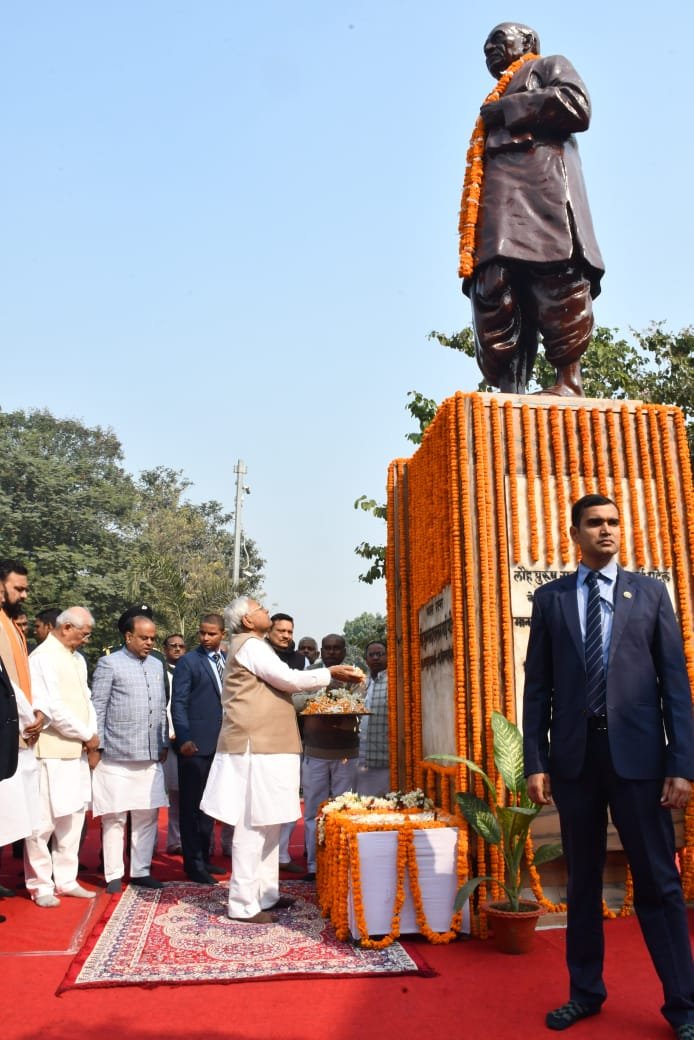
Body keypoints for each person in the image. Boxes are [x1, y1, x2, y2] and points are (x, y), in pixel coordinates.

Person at [523, 494, 694, 1037]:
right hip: (576, 761)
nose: (607, 530)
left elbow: (675, 686)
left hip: (640, 762)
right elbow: (539, 689)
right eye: (595, 523)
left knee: (660, 883)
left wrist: (682, 764)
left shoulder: (648, 594)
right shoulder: (550, 600)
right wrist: (535, 759)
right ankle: (585, 992)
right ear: (574, 533)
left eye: (614, 522)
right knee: (583, 883)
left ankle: (685, 1007)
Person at [461, 23, 604, 396]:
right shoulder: (494, 92)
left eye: (497, 39)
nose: (488, 48)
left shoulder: (547, 66)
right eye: (485, 45)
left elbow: (577, 106)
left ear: (527, 42)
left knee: (556, 277)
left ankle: (568, 381)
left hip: (544, 194)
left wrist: (509, 109)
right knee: (493, 285)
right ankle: (510, 385)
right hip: (498, 207)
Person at [200, 598, 361, 923]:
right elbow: (288, 679)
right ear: (247, 620)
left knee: (270, 821)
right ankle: (243, 904)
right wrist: (328, 673)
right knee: (254, 825)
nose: (266, 612)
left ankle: (266, 893)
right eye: (260, 608)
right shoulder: (249, 645)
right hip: (255, 746)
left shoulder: (255, 645)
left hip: (270, 747)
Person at [25, 608, 98, 907]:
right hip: (51, 751)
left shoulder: (77, 659)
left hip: (76, 751)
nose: (86, 640)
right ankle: (41, 884)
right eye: (84, 633)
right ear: (66, 627)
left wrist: (90, 733)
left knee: (73, 818)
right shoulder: (41, 658)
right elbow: (51, 709)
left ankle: (66, 880)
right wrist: (85, 734)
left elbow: (87, 699)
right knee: (43, 822)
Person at [91, 614, 169, 893]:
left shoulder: (157, 666)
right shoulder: (109, 663)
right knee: (114, 817)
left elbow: (161, 708)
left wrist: (163, 743)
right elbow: (98, 707)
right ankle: (113, 874)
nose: (149, 642)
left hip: (149, 754)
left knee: (147, 815)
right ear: (128, 637)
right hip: (116, 754)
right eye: (144, 637)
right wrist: (96, 746)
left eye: (152, 638)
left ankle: (140, 871)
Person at [171, 615, 226, 884]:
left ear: (222, 634)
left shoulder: (228, 661)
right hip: (195, 746)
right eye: (202, 633)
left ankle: (205, 858)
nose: (205, 638)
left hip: (223, 745)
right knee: (192, 808)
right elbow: (178, 703)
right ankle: (193, 865)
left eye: (211, 634)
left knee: (210, 807)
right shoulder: (188, 662)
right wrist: (184, 738)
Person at [301, 633, 360, 880]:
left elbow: (361, 702)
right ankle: (314, 865)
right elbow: (295, 701)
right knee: (313, 810)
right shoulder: (309, 673)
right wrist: (321, 695)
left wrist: (345, 703)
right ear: (321, 651)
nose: (333, 652)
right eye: (328, 648)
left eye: (338, 648)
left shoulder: (354, 674)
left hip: (346, 753)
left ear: (344, 651)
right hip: (315, 751)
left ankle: (342, 862)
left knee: (343, 809)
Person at [267, 613, 308, 873]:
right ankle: (266, 856)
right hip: (264, 737)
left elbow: (301, 696)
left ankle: (282, 854)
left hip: (294, 735)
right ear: (269, 631)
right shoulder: (260, 655)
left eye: (289, 631)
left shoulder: (300, 660)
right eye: (280, 630)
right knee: (266, 800)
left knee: (290, 797)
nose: (285, 635)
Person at [161, 633, 186, 855]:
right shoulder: (160, 672)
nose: (177, 649)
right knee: (175, 794)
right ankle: (174, 841)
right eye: (173, 646)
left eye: (181, 646)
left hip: (189, 738)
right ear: (165, 649)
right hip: (168, 740)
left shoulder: (191, 670)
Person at [356, 641, 390, 796]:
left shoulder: (395, 681)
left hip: (386, 755)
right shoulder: (362, 683)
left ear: (388, 656)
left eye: (380, 654)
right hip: (362, 755)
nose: (376, 658)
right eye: (372, 655)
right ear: (366, 659)